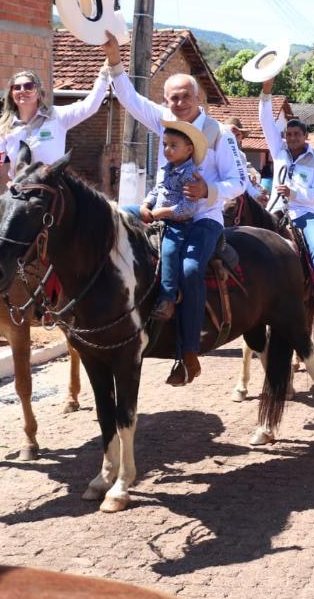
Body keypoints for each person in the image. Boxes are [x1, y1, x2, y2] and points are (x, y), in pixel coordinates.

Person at [101, 33, 248, 387]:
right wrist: (113, 59)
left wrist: (208, 190)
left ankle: (190, 352)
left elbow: (238, 181)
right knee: (114, 220)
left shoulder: (218, 133)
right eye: (173, 98)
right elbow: (130, 100)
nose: (179, 103)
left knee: (191, 267)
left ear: (197, 97)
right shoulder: (165, 120)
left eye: (185, 96)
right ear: (165, 101)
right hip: (162, 209)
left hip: (205, 216)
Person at [259, 87, 314, 323]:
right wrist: (266, 91)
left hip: (304, 215)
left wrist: (294, 193)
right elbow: (264, 120)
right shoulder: (278, 151)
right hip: (274, 212)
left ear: (305, 137)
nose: (291, 138)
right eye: (288, 134)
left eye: (296, 135)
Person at [140, 123, 205, 370]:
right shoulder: (164, 169)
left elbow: (187, 209)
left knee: (168, 250)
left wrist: (159, 214)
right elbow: (157, 190)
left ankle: (167, 298)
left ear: (189, 150)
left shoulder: (191, 175)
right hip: (157, 216)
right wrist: (146, 205)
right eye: (165, 145)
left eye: (173, 146)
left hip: (179, 224)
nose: (167, 150)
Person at [0, 67, 109, 181]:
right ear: (11, 94)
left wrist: (104, 75)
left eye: (28, 86)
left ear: (38, 93)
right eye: (16, 88)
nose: (22, 90)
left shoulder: (57, 116)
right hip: (20, 192)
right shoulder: (4, 127)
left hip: (52, 190)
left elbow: (90, 106)